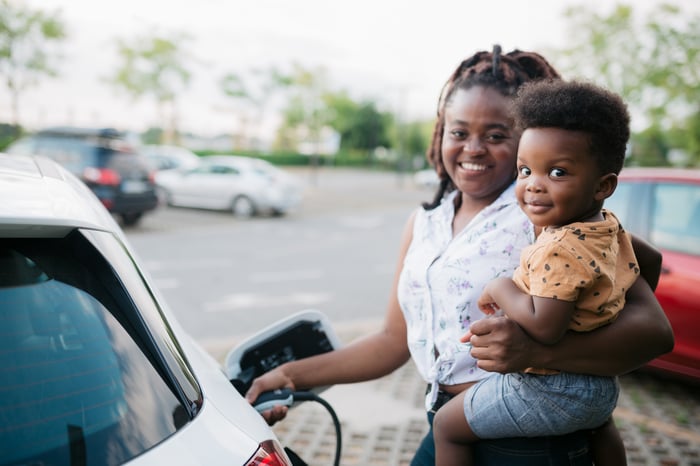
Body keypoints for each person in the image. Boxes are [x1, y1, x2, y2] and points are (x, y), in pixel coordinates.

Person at [245, 46, 674, 466]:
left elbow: (652, 328)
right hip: (448, 426)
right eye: (459, 131)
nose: (473, 148)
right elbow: (392, 342)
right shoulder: (425, 222)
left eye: (496, 135)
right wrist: (292, 376)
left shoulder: (543, 213)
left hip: (528, 440)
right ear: (441, 133)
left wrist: (542, 353)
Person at [432, 79, 648, 466]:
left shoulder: (559, 244)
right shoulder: (605, 226)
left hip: (551, 387)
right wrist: (603, 307)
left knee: (447, 427)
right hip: (600, 387)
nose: (534, 185)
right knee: (602, 429)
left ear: (604, 185)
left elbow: (544, 327)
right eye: (526, 169)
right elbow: (651, 265)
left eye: (558, 173)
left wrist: (500, 288)